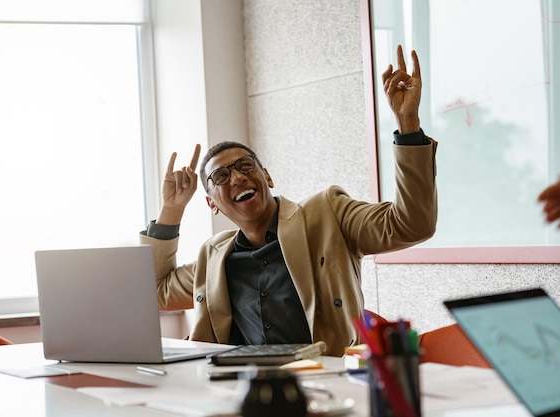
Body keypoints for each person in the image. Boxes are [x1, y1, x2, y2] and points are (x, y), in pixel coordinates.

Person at [139, 45, 438, 356]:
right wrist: (171, 210)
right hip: (244, 388)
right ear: (212, 203)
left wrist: (407, 125)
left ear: (267, 177)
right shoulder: (213, 257)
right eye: (221, 177)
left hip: (326, 381)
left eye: (245, 166)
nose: (238, 178)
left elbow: (411, 225)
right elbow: (155, 292)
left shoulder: (327, 214)